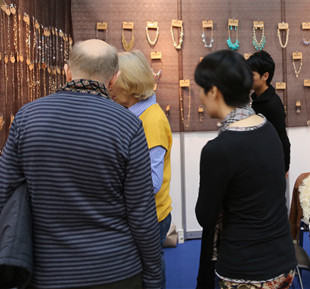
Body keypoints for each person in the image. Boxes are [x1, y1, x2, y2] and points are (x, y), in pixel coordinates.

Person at [0, 39, 161, 289]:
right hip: (116, 269)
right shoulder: (128, 126)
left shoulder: (27, 118)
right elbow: (141, 214)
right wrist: (155, 275)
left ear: (67, 71)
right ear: (114, 78)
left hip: (48, 272)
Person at [194, 50, 296, 289]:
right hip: (282, 261)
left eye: (201, 89)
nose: (199, 96)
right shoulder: (267, 129)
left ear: (214, 91)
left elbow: (205, 216)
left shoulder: (218, 149)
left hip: (246, 269)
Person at [110, 50, 173, 289]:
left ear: (128, 84)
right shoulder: (135, 115)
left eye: (113, 81)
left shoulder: (151, 121)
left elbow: (152, 182)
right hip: (143, 214)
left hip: (151, 216)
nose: (109, 87)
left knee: (151, 273)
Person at [246, 50, 291, 173]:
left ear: (265, 76)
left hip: (271, 167)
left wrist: (284, 169)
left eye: (251, 75)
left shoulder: (272, 104)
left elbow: (282, 139)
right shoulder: (257, 99)